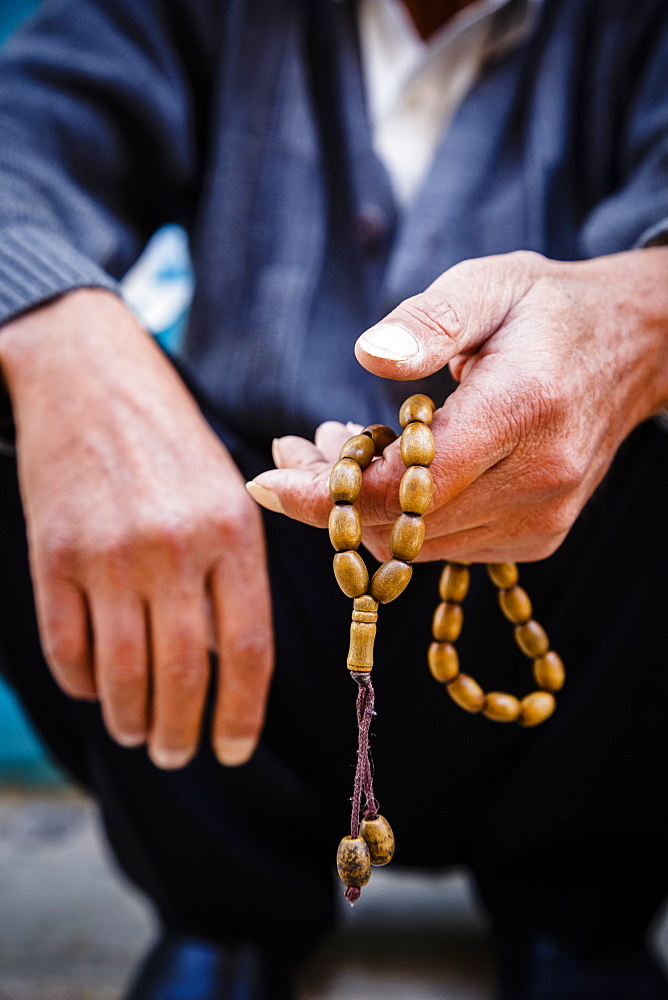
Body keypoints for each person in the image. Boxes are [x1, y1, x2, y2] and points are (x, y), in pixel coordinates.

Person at [1, 0, 668, 997]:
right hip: (244, 602)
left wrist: (642, 320)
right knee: (23, 394)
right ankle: (221, 909)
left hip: (588, 614)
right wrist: (54, 328)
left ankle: (582, 915)